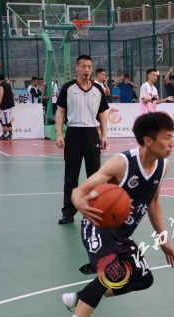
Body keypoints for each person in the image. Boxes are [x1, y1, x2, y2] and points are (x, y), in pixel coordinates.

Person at [54, 112, 174, 317]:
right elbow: (81, 190)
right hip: (97, 226)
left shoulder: (163, 165)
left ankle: (81, 299)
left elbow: (153, 201)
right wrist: (79, 202)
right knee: (112, 272)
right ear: (148, 141)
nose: (172, 143)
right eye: (167, 137)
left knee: (142, 279)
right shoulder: (122, 164)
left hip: (121, 234)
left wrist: (164, 240)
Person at [56, 55, 109, 225]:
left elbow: (102, 114)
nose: (87, 70)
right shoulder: (68, 88)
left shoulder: (98, 89)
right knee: (71, 176)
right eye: (84, 66)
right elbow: (60, 111)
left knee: (94, 175)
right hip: (73, 133)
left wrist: (104, 135)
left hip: (92, 133)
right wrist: (59, 134)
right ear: (77, 68)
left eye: (89, 67)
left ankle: (92, 211)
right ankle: (68, 212)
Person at [0, 74, 15, 140]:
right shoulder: (8, 85)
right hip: (7, 105)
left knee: (7, 121)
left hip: (5, 106)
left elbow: (0, 95)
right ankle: (5, 134)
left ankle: (10, 135)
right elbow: (13, 93)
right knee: (2, 120)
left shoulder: (1, 86)